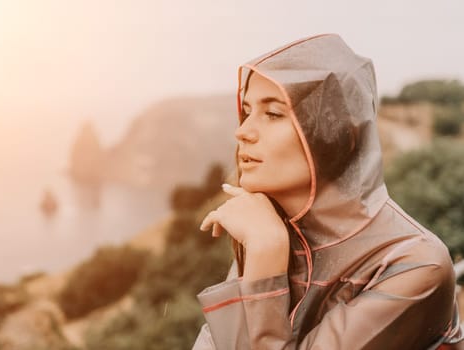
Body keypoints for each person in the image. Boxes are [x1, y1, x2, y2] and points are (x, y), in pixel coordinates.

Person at [192, 34, 464, 349]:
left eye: (274, 113)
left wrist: (267, 253)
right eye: (248, 110)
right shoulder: (270, 230)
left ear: (334, 136)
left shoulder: (415, 264)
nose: (243, 131)